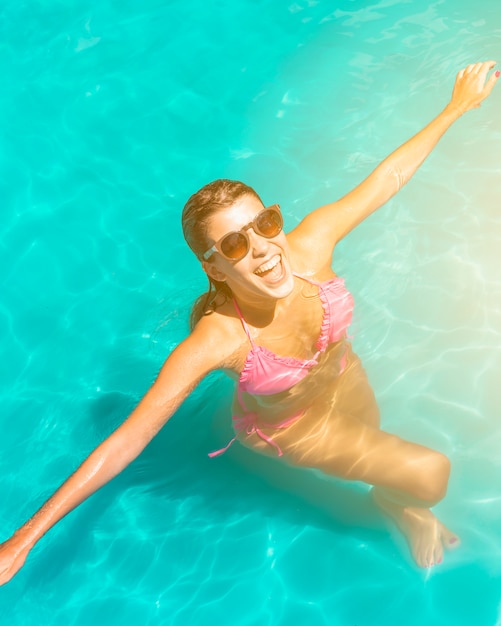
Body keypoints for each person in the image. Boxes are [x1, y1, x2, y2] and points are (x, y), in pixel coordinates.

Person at [0, 62, 498, 583]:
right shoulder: (216, 339)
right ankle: (405, 506)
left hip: (342, 373)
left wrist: (457, 105)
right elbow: (126, 440)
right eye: (236, 243)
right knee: (431, 474)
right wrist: (22, 539)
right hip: (292, 423)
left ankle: (396, 499)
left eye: (265, 223)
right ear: (213, 265)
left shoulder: (311, 245)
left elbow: (387, 178)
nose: (264, 250)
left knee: (375, 443)